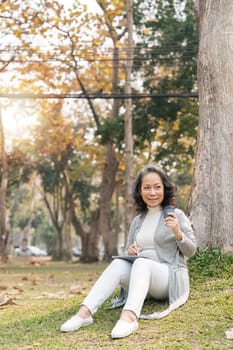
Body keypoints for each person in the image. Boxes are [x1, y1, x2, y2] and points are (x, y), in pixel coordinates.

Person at [60, 164, 196, 338]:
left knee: (141, 262)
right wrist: (130, 251)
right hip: (143, 278)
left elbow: (191, 250)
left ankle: (130, 317)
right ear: (140, 191)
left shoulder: (176, 215)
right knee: (118, 263)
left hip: (168, 278)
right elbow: (128, 250)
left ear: (165, 188)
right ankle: (84, 314)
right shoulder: (138, 220)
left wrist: (177, 232)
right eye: (147, 188)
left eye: (157, 187)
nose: (152, 193)